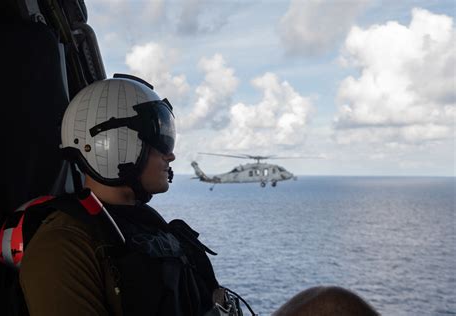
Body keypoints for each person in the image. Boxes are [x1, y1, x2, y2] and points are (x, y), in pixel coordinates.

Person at [19, 74, 379, 316]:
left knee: (332, 305)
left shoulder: (144, 225)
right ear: (112, 143)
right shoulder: (64, 244)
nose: (170, 154)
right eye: (159, 138)